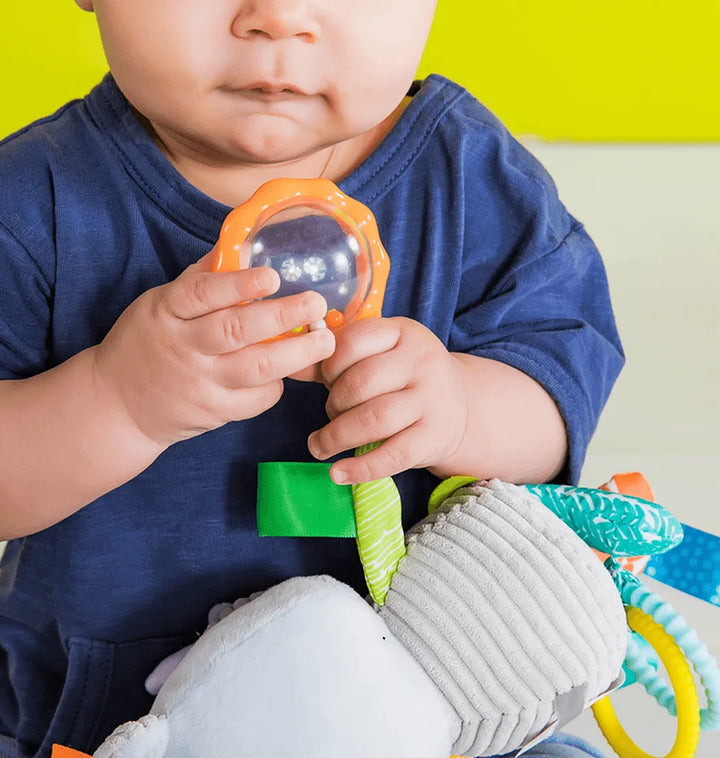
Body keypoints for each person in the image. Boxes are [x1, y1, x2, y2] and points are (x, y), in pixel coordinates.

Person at [0, 1, 623, 755]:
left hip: (427, 708)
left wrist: (461, 409)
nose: (279, 17)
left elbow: (557, 396)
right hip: (112, 723)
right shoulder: (31, 203)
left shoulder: (472, 178)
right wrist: (116, 402)